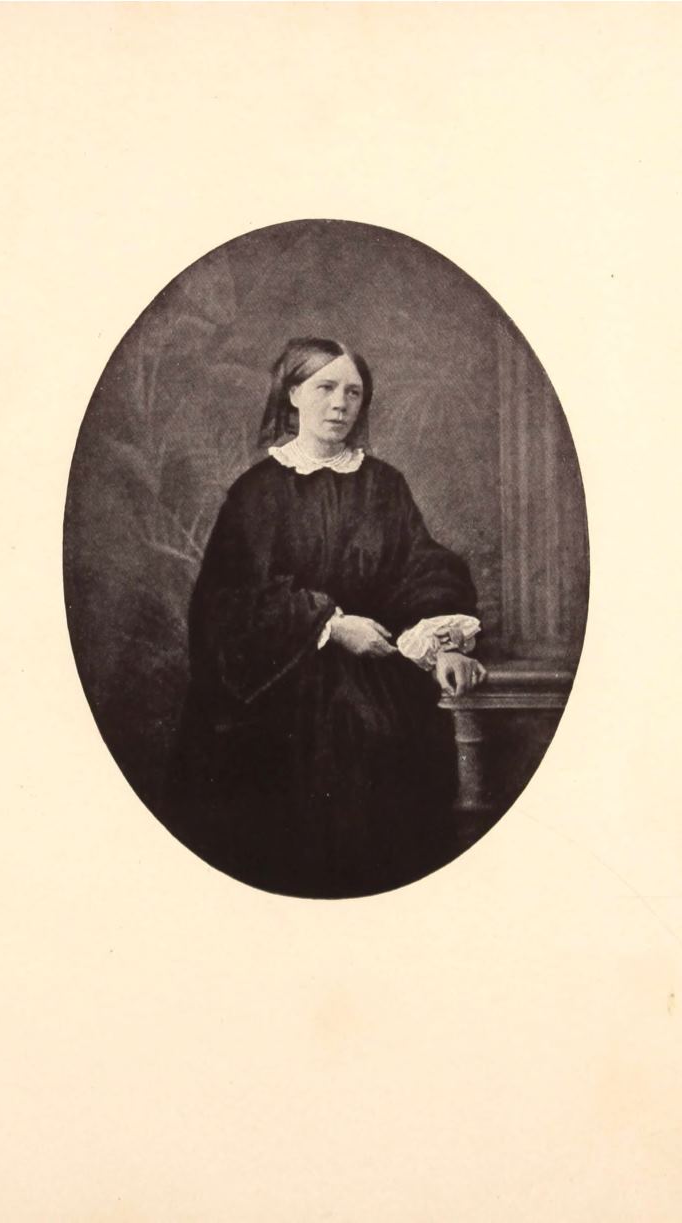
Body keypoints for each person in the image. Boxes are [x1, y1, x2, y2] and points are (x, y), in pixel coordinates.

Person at [164, 338, 486, 898]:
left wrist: (443, 644)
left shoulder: (385, 485)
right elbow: (228, 603)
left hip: (380, 673)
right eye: (325, 388)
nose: (340, 404)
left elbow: (419, 568)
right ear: (293, 395)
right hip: (277, 688)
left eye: (353, 392)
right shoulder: (256, 493)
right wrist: (330, 626)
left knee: (394, 770)